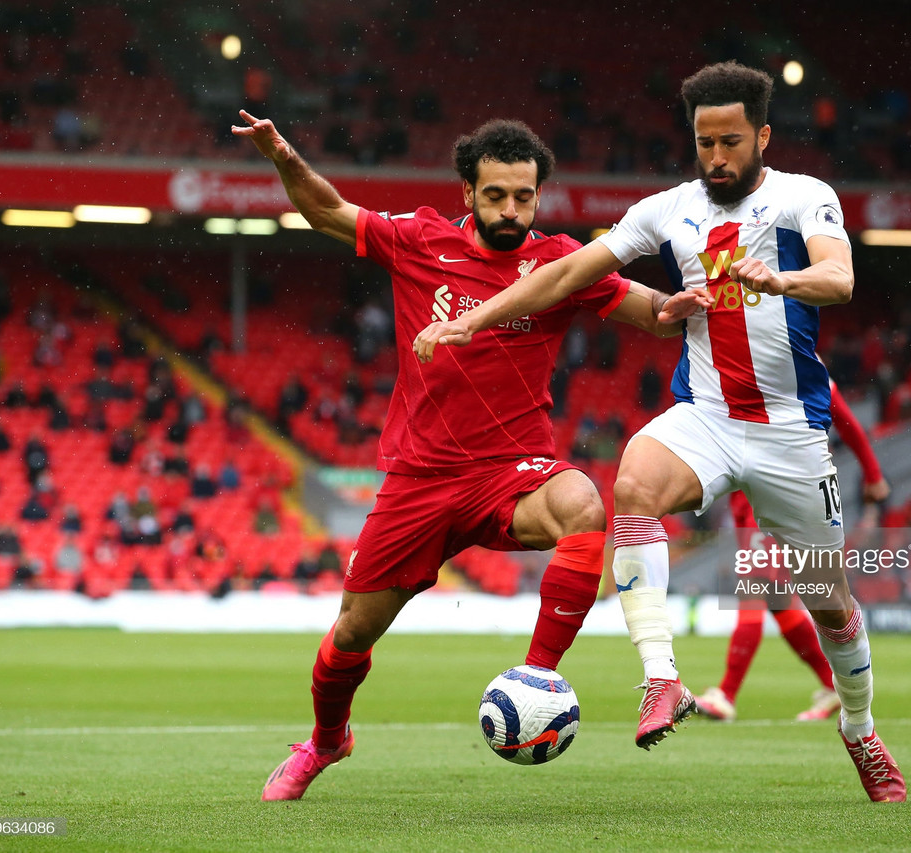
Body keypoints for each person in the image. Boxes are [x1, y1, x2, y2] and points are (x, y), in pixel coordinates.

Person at [414, 61, 905, 801]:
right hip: (705, 415)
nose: (716, 157)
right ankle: (663, 678)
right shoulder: (667, 210)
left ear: (762, 136)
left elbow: (840, 279)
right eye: (705, 141)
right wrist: (473, 321)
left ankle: (861, 731)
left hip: (789, 433)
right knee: (633, 481)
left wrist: (781, 281)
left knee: (828, 598)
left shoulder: (806, 197)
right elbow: (568, 273)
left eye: (731, 141)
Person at [234, 111, 680, 801]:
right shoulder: (421, 239)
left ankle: (536, 678)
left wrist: (690, 302)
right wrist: (284, 155)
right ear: (467, 191)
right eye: (496, 194)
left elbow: (650, 310)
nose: (511, 209)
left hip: (513, 473)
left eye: (524, 197)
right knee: (350, 636)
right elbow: (324, 210)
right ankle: (327, 741)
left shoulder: (561, 261)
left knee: (584, 505)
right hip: (420, 478)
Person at [695, 381, 889, 724]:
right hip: (747, 493)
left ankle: (726, 695)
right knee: (778, 601)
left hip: (777, 494)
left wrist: (873, 475)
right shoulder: (738, 356)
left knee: (756, 587)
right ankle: (833, 685)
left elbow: (847, 423)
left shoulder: (806, 367)